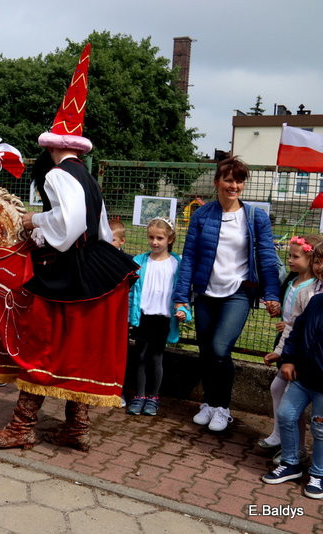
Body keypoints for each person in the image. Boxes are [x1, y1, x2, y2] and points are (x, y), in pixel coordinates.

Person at [0, 44, 138, 451]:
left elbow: (67, 228)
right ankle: (76, 428)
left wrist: (34, 221)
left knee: (42, 346)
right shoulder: (87, 177)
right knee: (75, 351)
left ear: (52, 146)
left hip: (67, 272)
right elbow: (97, 228)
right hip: (96, 271)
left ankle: (21, 427)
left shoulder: (56, 176)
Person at [174, 156, 281, 433]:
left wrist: (272, 293)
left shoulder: (255, 217)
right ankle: (209, 403)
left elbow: (268, 257)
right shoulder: (202, 215)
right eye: (229, 180)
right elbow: (189, 258)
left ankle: (222, 407)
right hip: (207, 292)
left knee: (221, 348)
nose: (234, 185)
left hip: (238, 292)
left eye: (239, 180)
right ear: (217, 182)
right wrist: (181, 295)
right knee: (207, 350)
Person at [260, 271, 323, 500]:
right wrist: (288, 359)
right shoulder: (316, 301)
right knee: (286, 414)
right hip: (303, 376)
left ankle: (318, 474)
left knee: (320, 429)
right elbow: (296, 331)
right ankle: (291, 462)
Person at [126, 218, 190, 416]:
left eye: (160, 238)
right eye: (151, 237)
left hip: (163, 318)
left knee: (155, 357)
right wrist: (128, 315)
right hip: (143, 316)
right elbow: (130, 292)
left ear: (170, 239)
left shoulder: (177, 263)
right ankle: (140, 395)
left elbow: (184, 291)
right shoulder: (139, 261)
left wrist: (184, 312)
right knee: (140, 355)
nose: (155, 242)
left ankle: (153, 396)